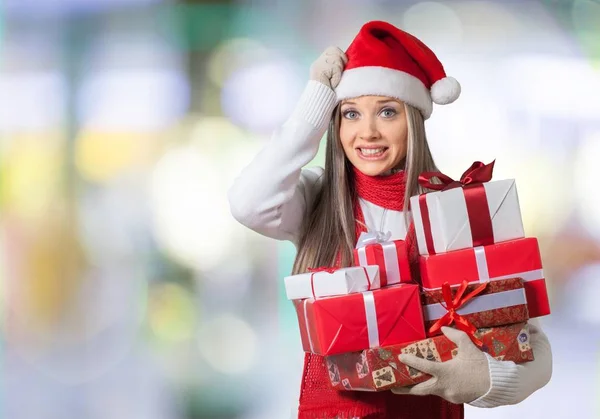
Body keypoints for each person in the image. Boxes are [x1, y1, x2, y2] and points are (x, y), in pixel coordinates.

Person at [228, 20, 552, 419]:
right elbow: (247, 203)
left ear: (412, 120)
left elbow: (533, 345)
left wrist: (485, 379)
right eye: (349, 113)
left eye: (386, 111)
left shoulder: (455, 210)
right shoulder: (319, 200)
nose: (367, 132)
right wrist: (312, 107)